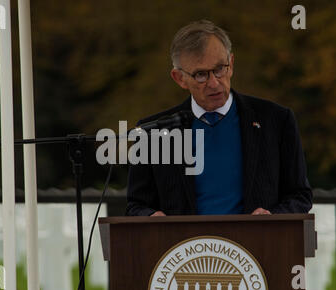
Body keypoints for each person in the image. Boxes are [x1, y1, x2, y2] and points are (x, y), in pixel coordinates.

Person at [126, 20, 312, 216]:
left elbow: (299, 195)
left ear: (231, 64)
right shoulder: (153, 132)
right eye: (200, 75)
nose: (214, 83)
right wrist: (150, 217)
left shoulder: (276, 120)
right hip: (185, 245)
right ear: (179, 78)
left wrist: (272, 218)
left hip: (255, 244)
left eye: (219, 69)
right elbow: (136, 205)